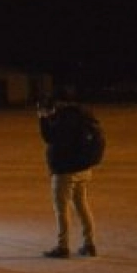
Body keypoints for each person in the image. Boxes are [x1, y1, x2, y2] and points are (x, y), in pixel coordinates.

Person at [38, 88, 100, 258]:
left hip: (65, 170)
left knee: (62, 209)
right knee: (82, 206)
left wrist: (43, 118)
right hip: (83, 168)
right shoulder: (84, 114)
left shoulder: (64, 118)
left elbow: (50, 137)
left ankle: (63, 246)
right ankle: (89, 243)